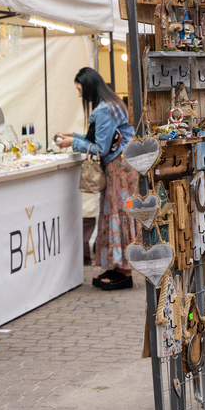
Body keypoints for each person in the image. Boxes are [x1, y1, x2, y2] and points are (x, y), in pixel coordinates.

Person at [56, 67, 136, 291]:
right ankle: (117, 266)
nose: (80, 95)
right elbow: (101, 138)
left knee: (116, 215)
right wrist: (74, 137)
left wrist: (72, 143)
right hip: (121, 167)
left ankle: (123, 271)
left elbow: (100, 147)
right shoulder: (112, 104)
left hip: (117, 169)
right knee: (115, 215)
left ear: (89, 87)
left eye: (80, 90)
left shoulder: (103, 110)